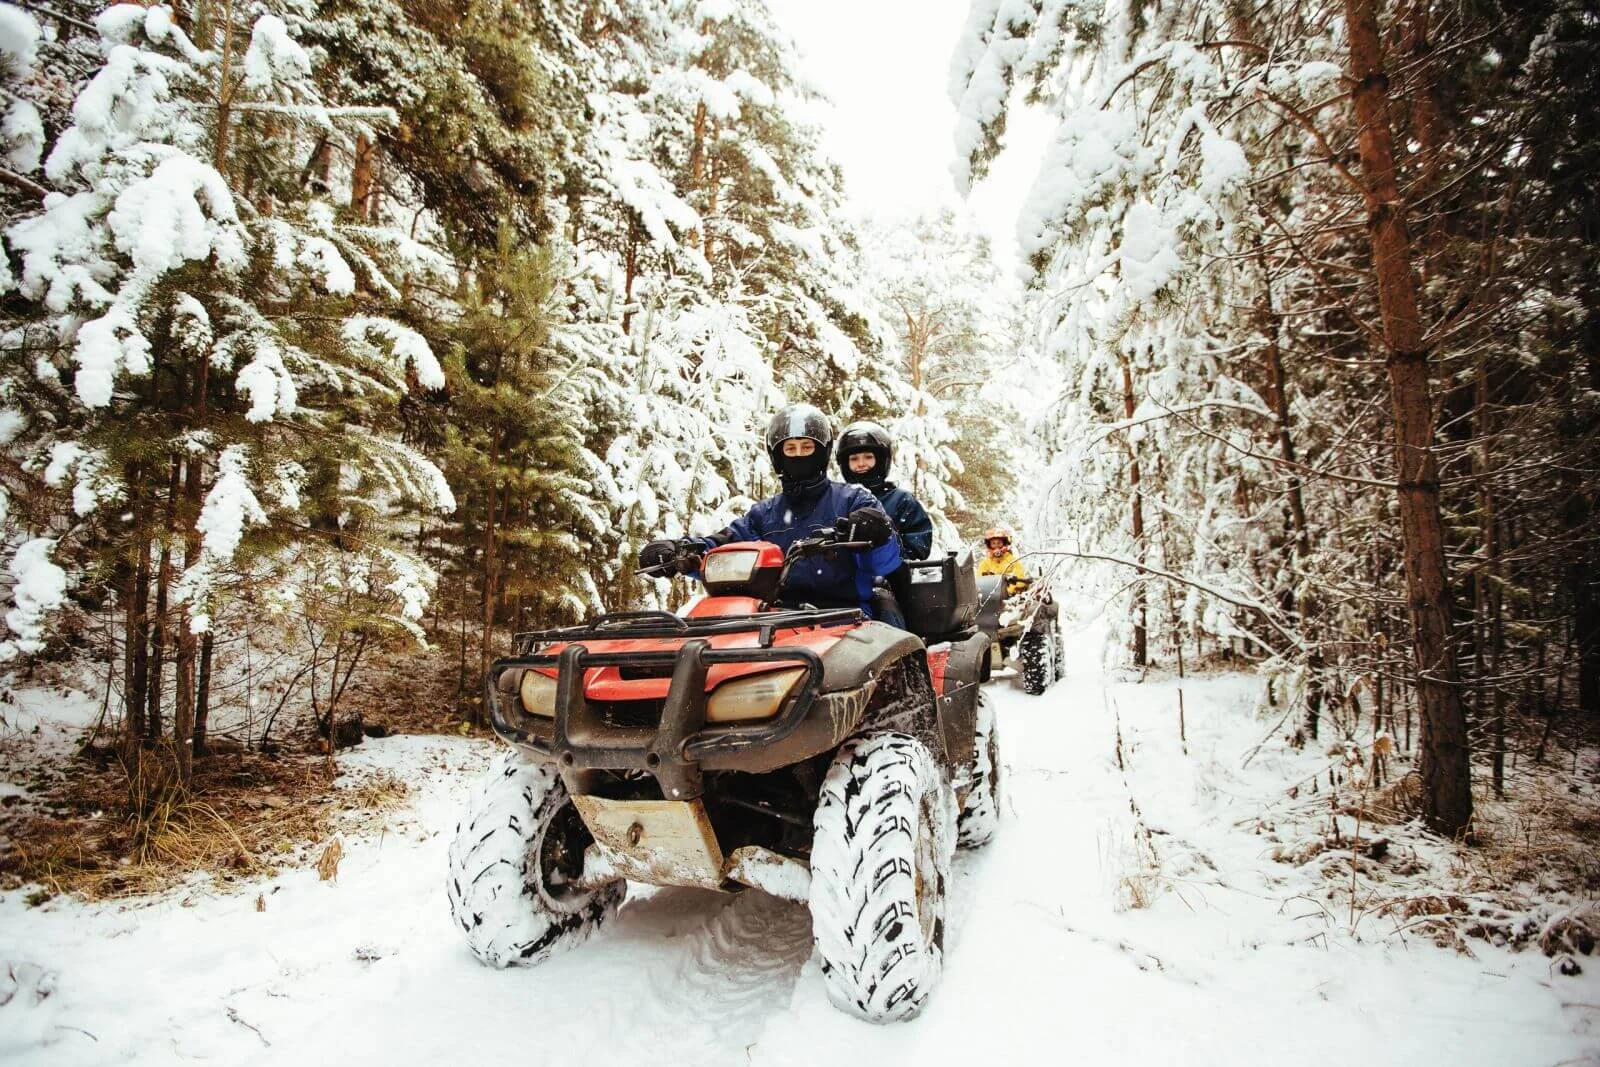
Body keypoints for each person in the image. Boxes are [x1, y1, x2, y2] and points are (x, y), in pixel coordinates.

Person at [638, 404, 903, 620]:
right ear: (777, 455)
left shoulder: (853, 500)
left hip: (846, 617)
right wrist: (681, 553)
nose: (798, 455)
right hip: (774, 621)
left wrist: (878, 533)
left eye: (807, 447)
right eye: (790, 448)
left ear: (822, 452)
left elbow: (885, 563)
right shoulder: (764, 514)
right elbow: (722, 546)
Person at [834, 421, 934, 561]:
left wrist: (884, 540)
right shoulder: (837, 500)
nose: (861, 463)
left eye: (868, 457)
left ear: (881, 459)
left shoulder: (901, 501)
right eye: (854, 459)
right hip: (842, 573)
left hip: (888, 572)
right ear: (845, 463)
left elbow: (917, 548)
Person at [977, 525, 1028, 595]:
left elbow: (1021, 580)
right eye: (993, 543)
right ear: (989, 545)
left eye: (999, 543)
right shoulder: (985, 563)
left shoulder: (1013, 561)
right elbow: (979, 582)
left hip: (1010, 596)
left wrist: (1009, 591)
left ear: (1004, 543)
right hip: (990, 597)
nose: (996, 546)